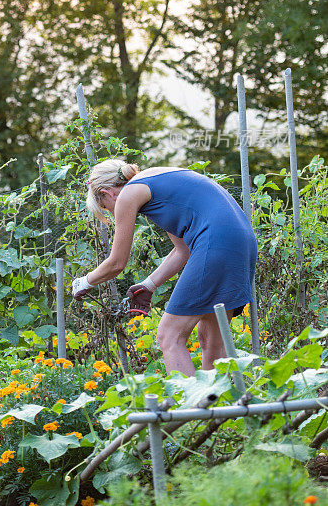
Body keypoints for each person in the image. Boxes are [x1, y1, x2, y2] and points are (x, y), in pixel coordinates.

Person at [71, 159, 257, 376]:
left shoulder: (129, 194)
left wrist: (84, 282)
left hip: (214, 242)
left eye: (104, 207)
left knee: (169, 335)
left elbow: (116, 263)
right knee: (211, 339)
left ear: (108, 193)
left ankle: (187, 407)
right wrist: (149, 285)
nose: (111, 212)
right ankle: (220, 406)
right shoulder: (157, 182)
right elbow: (182, 250)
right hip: (241, 241)